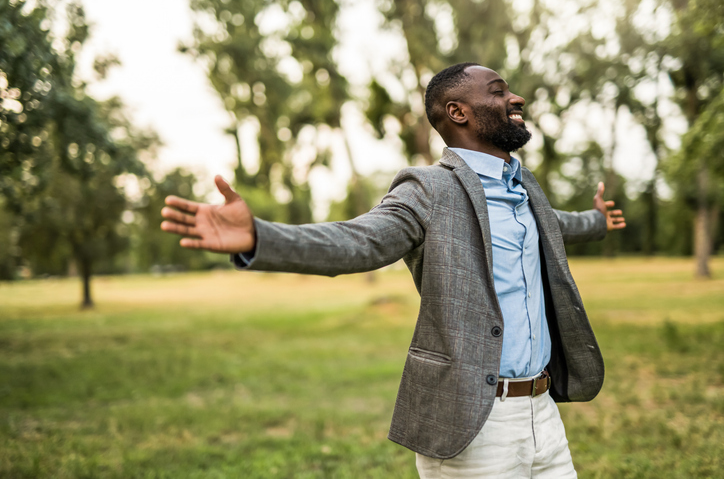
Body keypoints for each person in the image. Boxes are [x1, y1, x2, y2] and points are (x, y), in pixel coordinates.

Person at [160, 62, 626, 478]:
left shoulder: (523, 185)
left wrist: (598, 222)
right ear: (458, 112)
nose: (515, 98)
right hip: (474, 422)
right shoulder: (428, 189)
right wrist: (262, 237)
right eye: (499, 91)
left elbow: (553, 226)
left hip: (543, 412)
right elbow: (358, 240)